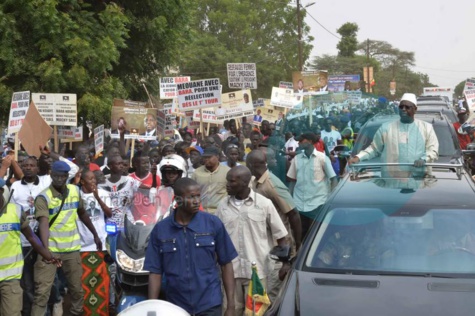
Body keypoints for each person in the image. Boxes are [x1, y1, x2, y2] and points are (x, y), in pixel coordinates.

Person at [145, 178, 238, 316]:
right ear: (178, 200)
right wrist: (152, 307)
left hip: (210, 303)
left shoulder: (213, 223)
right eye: (191, 197)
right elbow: (155, 272)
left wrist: (231, 305)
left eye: (198, 196)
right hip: (175, 305)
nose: (197, 201)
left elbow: (226, 264)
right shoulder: (161, 230)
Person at [32, 161, 102, 316]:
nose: (59, 179)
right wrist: (45, 250)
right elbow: (43, 223)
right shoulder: (43, 197)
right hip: (50, 251)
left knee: (76, 290)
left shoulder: (74, 191)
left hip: (71, 250)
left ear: (66, 177)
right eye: (55, 176)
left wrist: (95, 234)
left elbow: (82, 213)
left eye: (62, 176)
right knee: (42, 293)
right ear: (51, 175)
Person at [216, 166, 288, 314]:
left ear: (244, 182)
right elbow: (216, 238)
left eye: (232, 181)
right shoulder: (223, 205)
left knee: (256, 313)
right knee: (231, 311)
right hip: (231, 274)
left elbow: (281, 237)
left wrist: (285, 264)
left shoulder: (264, 204)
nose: (227, 185)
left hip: (258, 273)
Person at [246, 150, 302, 301]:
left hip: (280, 247)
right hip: (266, 244)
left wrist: (298, 246)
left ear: (251, 165)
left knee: (274, 292)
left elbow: (293, 214)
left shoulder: (272, 184)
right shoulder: (255, 181)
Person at [0, 178, 60, 316]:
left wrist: (48, 256)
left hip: (10, 278)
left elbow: (31, 237)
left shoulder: (15, 211)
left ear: (1, 191)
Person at [348, 93, 439, 176]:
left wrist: (424, 159)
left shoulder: (426, 128)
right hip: (392, 181)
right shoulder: (386, 128)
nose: (403, 109)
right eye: (401, 107)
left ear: (415, 109)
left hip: (419, 179)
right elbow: (374, 149)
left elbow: (433, 150)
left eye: (407, 107)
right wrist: (358, 157)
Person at [287, 133, 337, 238]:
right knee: (301, 233)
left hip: (318, 203)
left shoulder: (322, 158)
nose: (298, 143)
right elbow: (292, 181)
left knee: (317, 234)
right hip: (300, 203)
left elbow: (333, 179)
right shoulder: (296, 159)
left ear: (309, 141)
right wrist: (289, 201)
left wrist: (330, 199)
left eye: (301, 140)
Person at [78, 170, 112, 316]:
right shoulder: (76, 195)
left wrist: (97, 197)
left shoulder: (103, 193)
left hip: (100, 245)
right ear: (82, 182)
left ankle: (102, 312)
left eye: (94, 179)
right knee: (84, 284)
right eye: (90, 179)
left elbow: (109, 213)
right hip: (82, 245)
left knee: (102, 283)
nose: (93, 182)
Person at [191, 147, 230, 214]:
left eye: (209, 157)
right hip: (201, 212)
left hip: (221, 212)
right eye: (205, 157)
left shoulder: (227, 172)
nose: (206, 160)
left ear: (217, 157)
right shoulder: (197, 173)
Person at [129, 152, 161, 224]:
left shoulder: (156, 178)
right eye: (144, 163)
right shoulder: (129, 179)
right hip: (133, 216)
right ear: (135, 165)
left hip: (150, 217)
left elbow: (157, 197)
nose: (147, 165)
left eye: (148, 163)